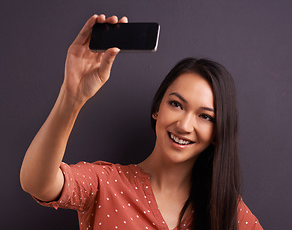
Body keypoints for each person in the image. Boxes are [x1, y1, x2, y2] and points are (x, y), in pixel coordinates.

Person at [20, 14, 263, 230]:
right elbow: (37, 184)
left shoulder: (229, 211)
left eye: (205, 116)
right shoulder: (104, 184)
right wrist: (72, 96)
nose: (184, 125)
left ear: (218, 132)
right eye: (176, 104)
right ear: (157, 108)